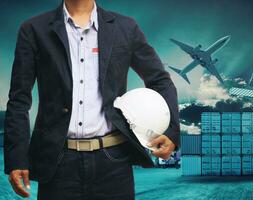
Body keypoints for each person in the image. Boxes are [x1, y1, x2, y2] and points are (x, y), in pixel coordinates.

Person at [3, 0, 180, 199]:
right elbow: (19, 99)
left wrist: (172, 131)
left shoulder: (126, 27)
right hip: (58, 162)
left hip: (113, 161)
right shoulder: (34, 29)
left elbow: (160, 80)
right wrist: (16, 158)